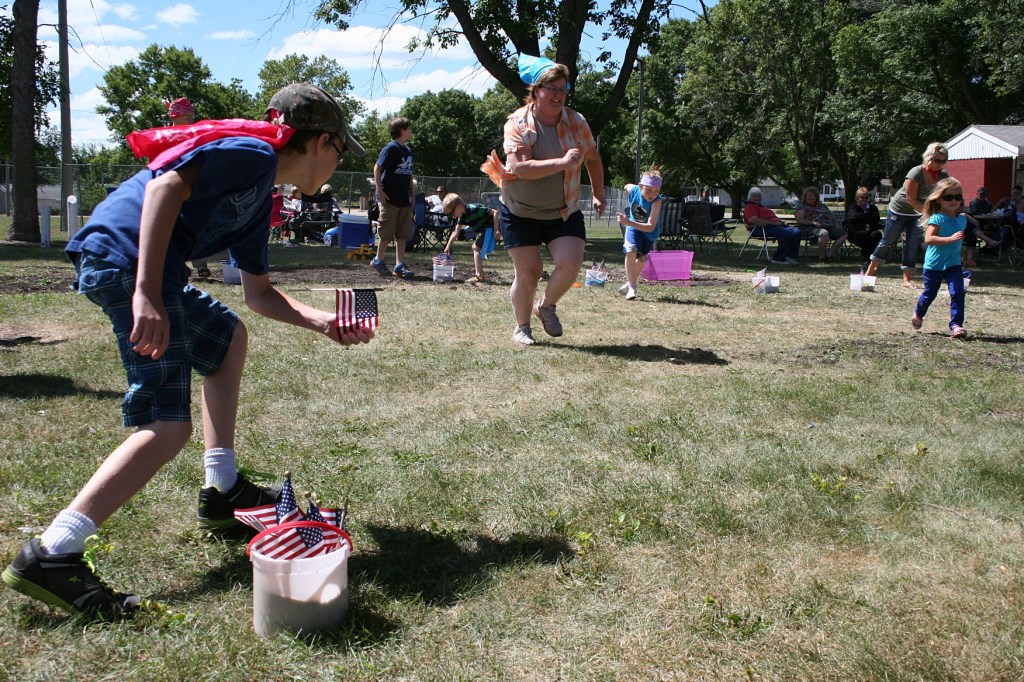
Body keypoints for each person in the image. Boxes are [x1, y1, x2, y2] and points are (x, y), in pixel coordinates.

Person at [1, 83, 373, 620]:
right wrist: (147, 291)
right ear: (321, 143)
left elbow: (258, 294)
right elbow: (164, 189)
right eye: (340, 151)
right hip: (129, 263)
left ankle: (222, 490)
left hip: (146, 271)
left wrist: (324, 322)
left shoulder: (259, 197)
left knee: (227, 339)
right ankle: (55, 551)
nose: (337, 165)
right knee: (166, 424)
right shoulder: (252, 153)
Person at [484, 54, 605, 345]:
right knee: (529, 272)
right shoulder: (518, 123)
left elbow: (592, 158)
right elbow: (519, 168)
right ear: (536, 91)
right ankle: (522, 327)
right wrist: (563, 162)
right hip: (520, 210)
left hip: (563, 209)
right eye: (552, 89)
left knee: (571, 262)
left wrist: (599, 193)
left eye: (563, 89)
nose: (559, 95)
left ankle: (547, 305)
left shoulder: (576, 121)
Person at [865, 142, 949, 287]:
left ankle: (906, 280)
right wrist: (928, 214)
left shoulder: (942, 175)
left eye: (943, 161)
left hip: (919, 213)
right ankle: (869, 273)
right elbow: (911, 198)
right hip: (900, 209)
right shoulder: (916, 172)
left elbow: (943, 194)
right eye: (937, 160)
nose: (940, 164)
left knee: (912, 244)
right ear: (929, 157)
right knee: (888, 241)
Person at [911, 177, 969, 339]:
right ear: (939, 199)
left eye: (957, 197)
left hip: (953, 264)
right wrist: (950, 239)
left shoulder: (962, 220)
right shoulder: (936, 218)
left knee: (958, 292)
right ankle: (918, 313)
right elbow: (929, 239)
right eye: (948, 197)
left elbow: (957, 244)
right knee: (930, 293)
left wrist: (964, 256)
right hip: (934, 265)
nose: (953, 201)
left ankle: (956, 325)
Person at [166, 97, 212, 279]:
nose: (191, 119)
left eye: (192, 115)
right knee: (170, 228)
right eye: (188, 116)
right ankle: (172, 266)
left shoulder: (195, 135)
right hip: (170, 187)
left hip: (193, 187)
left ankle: (201, 266)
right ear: (176, 116)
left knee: (196, 227)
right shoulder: (165, 136)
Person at [372, 117, 415, 279]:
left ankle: (399, 265)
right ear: (402, 130)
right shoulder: (390, 148)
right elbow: (377, 168)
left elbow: (409, 175)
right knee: (386, 233)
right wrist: (380, 191)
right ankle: (378, 260)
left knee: (402, 234)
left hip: (404, 199)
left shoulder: (408, 151)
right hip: (389, 198)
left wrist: (412, 195)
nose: (410, 130)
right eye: (408, 127)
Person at [616, 168, 664, 300]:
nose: (652, 194)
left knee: (640, 260)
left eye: (656, 191)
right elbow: (627, 186)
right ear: (641, 186)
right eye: (648, 189)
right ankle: (632, 287)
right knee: (630, 251)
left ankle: (629, 283)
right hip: (633, 229)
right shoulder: (634, 190)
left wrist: (627, 222)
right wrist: (626, 186)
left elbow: (650, 226)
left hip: (649, 234)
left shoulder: (657, 202)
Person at [440, 193, 500, 282]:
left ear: (458, 207)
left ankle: (479, 275)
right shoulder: (462, 217)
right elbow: (456, 232)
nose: (453, 216)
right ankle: (479, 275)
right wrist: (448, 246)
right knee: (475, 248)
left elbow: (495, 212)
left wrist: (496, 229)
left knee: (476, 248)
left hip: (491, 228)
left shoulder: (474, 209)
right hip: (485, 230)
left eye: (452, 213)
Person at [742, 187, 801, 265]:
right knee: (785, 233)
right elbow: (753, 219)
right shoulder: (750, 207)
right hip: (758, 229)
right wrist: (773, 223)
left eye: (759, 196)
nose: (757, 198)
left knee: (797, 232)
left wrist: (779, 221)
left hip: (774, 226)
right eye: (754, 196)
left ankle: (788, 256)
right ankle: (778, 258)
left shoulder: (761, 207)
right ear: (750, 197)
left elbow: (769, 217)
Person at [794, 187, 846, 262]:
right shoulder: (802, 207)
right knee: (824, 233)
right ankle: (822, 257)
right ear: (804, 197)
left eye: (812, 195)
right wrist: (812, 222)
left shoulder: (822, 206)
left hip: (828, 226)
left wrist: (836, 224)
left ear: (816, 197)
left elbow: (831, 216)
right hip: (810, 228)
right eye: (808, 196)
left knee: (843, 234)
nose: (810, 197)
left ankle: (829, 254)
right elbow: (799, 220)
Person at [845, 187, 883, 267]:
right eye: (862, 197)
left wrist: (862, 217)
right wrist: (867, 217)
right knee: (866, 234)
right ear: (857, 198)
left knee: (877, 234)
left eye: (866, 197)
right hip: (855, 234)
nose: (864, 199)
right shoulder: (853, 208)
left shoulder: (873, 208)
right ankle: (867, 258)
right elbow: (852, 218)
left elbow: (876, 218)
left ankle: (872, 258)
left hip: (871, 232)